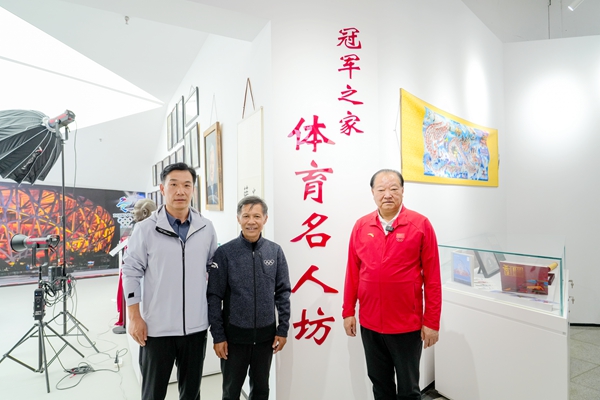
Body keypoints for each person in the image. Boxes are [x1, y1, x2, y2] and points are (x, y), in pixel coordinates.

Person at [342, 169, 441, 400]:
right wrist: (348, 311)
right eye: (381, 189)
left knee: (408, 388)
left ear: (403, 191)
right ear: (372, 192)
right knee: (380, 385)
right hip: (370, 323)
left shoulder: (420, 224)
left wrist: (432, 322)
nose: (388, 194)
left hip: (406, 325)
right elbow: (352, 272)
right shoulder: (361, 226)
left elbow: (433, 279)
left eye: (394, 188)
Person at [122, 163, 218, 400]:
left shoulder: (206, 228)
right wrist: (134, 317)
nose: (180, 191)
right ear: (163, 189)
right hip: (157, 329)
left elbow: (213, 269)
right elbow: (131, 272)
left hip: (195, 328)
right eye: (173, 184)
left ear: (193, 189)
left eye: (187, 185)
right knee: (153, 394)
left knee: (191, 393)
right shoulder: (146, 229)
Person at [207, 196, 291, 400]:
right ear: (238, 219)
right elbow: (214, 296)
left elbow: (283, 292)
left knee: (261, 390)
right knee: (231, 392)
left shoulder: (275, 251)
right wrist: (218, 336)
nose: (251, 221)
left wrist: (283, 329)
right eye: (246, 216)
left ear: (265, 219)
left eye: (256, 216)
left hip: (265, 338)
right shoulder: (225, 253)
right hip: (234, 338)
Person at [114, 198, 157, 334]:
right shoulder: (140, 230)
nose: (133, 213)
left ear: (144, 212)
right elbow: (131, 271)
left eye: (136, 210)